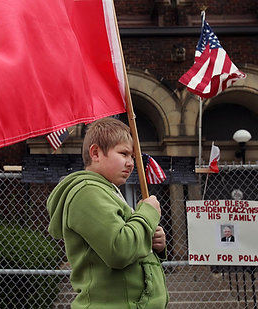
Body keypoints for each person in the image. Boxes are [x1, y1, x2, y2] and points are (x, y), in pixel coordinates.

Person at [47, 117, 168, 308]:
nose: (130, 163)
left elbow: (129, 244)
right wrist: (147, 214)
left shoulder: (107, 191)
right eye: (124, 154)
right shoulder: (87, 191)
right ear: (95, 153)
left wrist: (152, 240)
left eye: (132, 157)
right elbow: (119, 250)